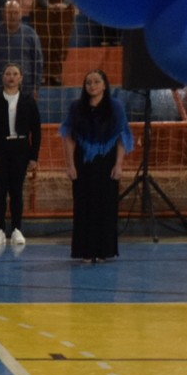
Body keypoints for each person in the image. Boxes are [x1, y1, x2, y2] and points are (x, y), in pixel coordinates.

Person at [60, 69, 131, 263]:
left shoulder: (116, 107)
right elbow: (68, 138)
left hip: (107, 160)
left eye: (97, 82)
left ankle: (104, 251)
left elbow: (122, 137)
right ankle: (85, 251)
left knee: (106, 206)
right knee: (84, 206)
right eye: (88, 82)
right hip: (83, 161)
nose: (92, 85)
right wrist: (70, 165)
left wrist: (119, 165)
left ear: (104, 85)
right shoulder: (76, 107)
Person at [0, 64, 42, 248]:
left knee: (16, 191)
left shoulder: (29, 101)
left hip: (21, 149)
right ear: (2, 77)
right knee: (0, 190)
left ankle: (16, 229)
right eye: (8, 74)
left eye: (15, 74)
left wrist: (33, 157)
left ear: (21, 77)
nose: (11, 77)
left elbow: (36, 131)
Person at [0, 0, 44, 97]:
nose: (12, 16)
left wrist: (35, 87)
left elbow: (38, 62)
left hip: (26, 90)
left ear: (21, 14)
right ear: (3, 14)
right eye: (9, 12)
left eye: (16, 12)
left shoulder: (31, 35)